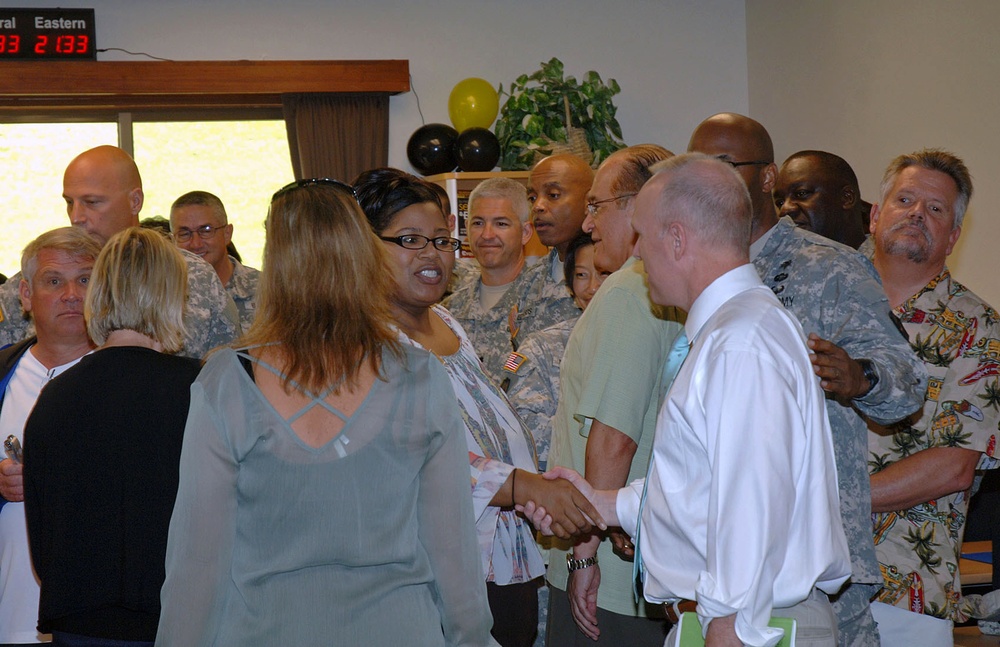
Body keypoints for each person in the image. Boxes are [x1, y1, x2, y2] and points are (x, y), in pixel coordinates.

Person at [156, 178, 495, 646]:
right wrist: (474, 639)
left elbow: (198, 559)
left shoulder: (226, 380)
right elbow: (452, 548)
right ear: (363, 254)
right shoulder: (420, 375)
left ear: (275, 262)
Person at [542, 153, 854, 647]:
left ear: (678, 239)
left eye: (642, 235)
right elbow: (705, 491)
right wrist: (601, 505)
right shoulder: (733, 329)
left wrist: (728, 627)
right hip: (733, 619)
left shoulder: (741, 342)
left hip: (748, 624)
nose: (637, 254)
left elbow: (750, 507)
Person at [689, 112, 927, 647]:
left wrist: (860, 377)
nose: (711, 178)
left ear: (767, 178)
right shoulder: (691, 269)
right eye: (700, 165)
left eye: (726, 164)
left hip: (815, 561)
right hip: (716, 554)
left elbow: (907, 383)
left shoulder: (829, 268)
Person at [353, 168, 603, 647]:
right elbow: (405, 457)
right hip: (429, 575)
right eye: (410, 240)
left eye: (443, 241)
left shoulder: (445, 320)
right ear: (363, 248)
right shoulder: (363, 342)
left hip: (502, 561)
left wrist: (534, 492)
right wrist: (521, 485)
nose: (433, 255)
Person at [22, 228, 200, 647]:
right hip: (173, 615)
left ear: (99, 294)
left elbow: (42, 533)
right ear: (173, 296)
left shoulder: (55, 395)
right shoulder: (201, 389)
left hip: (79, 621)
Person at [546, 144, 684, 647]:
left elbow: (612, 440)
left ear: (638, 204)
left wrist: (582, 555)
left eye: (597, 206)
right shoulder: (668, 287)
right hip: (644, 554)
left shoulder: (631, 291)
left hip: (609, 573)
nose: (587, 224)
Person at [862, 149, 1000, 645]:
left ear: (954, 237)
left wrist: (831, 501)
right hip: (787, 572)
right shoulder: (819, 294)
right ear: (877, 215)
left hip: (905, 591)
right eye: (905, 199)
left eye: (936, 209)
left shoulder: (978, 329)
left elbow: (953, 466)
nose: (917, 213)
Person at [0, 145, 238, 358]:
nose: (76, 217)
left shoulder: (190, 277)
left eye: (92, 202)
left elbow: (226, 377)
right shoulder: (34, 281)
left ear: (135, 201)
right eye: (70, 202)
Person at [0, 228, 100, 645]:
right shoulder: (3, 373)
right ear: (25, 294)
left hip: (96, 619)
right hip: (9, 610)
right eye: (54, 281)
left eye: (85, 280)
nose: (72, 294)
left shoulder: (133, 382)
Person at [443, 177, 578, 388]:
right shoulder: (448, 311)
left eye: (501, 224)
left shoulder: (555, 302)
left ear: (525, 233)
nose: (487, 235)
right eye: (478, 223)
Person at [505, 232, 607, 472]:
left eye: (604, 273)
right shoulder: (541, 346)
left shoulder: (645, 342)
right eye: (581, 275)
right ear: (569, 286)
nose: (593, 287)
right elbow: (522, 428)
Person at [170, 190, 260, 332]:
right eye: (184, 234)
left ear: (227, 233)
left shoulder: (265, 290)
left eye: (206, 230)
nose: (196, 244)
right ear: (173, 240)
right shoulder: (164, 297)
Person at [773, 150, 870, 248]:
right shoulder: (778, 261)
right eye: (780, 202)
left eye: (801, 193)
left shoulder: (879, 261)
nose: (784, 210)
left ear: (847, 198)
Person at [527, 154, 595, 294]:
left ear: (589, 202)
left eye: (553, 195)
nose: (537, 206)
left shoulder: (610, 274)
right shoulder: (529, 280)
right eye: (532, 198)